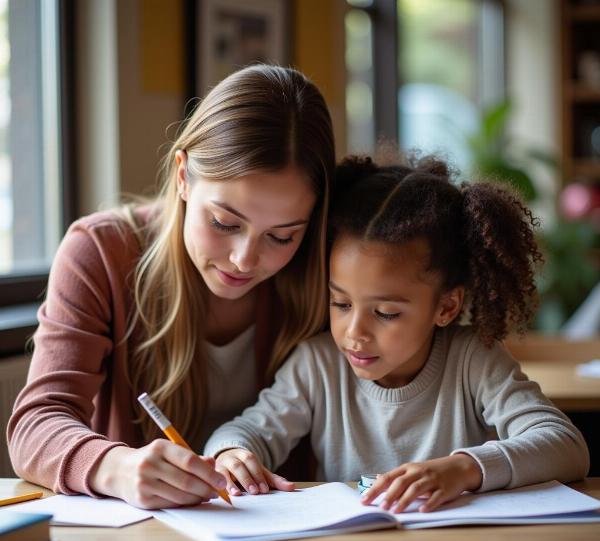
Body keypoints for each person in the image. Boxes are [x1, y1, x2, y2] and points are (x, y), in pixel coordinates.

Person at [7, 65, 335, 509]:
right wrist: (115, 467)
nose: (244, 259)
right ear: (183, 176)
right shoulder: (101, 252)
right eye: (224, 222)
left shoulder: (326, 269)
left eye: (282, 236)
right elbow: (37, 423)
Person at [205, 154, 590, 513]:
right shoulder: (317, 364)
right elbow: (249, 430)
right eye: (340, 304)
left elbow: (566, 446)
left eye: (386, 313)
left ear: (446, 307)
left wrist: (464, 469)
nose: (354, 332)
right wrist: (231, 453)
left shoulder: (473, 359)